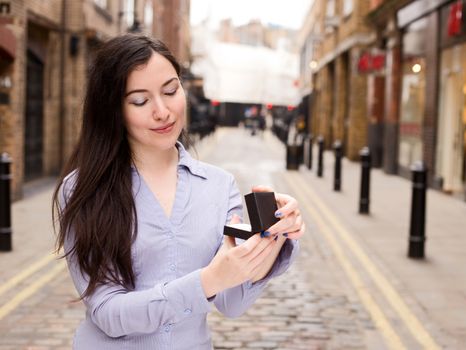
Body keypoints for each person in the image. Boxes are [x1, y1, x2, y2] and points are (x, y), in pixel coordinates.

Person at [52, 34, 305, 349]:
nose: (163, 111)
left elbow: (232, 302)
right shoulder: (81, 189)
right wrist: (206, 281)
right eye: (140, 100)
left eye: (171, 91)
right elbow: (108, 313)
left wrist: (275, 233)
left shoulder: (218, 185)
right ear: (113, 109)